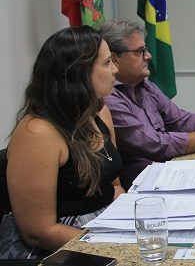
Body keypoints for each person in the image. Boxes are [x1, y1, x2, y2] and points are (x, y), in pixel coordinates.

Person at [1, 27, 123, 259]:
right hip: (63, 246)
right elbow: (38, 231)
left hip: (107, 228)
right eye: (107, 63)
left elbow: (115, 185)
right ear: (79, 73)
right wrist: (112, 246)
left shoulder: (99, 111)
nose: (115, 69)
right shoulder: (38, 133)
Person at [100, 19, 195, 189]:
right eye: (139, 51)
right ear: (114, 59)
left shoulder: (146, 86)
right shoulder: (109, 98)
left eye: (146, 49)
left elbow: (180, 120)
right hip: (142, 188)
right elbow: (155, 144)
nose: (148, 56)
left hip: (169, 174)